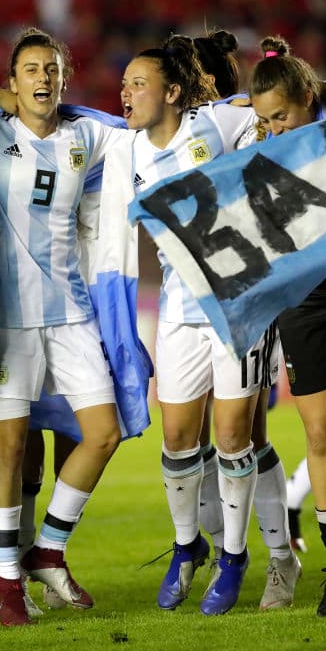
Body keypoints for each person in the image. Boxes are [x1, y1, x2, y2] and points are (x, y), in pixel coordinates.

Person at [0, 28, 128, 627]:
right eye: (30, 70)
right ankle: (7, 581)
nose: (43, 79)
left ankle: (48, 547)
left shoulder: (87, 136)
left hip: (71, 312)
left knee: (103, 433)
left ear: (64, 78)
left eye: (52, 69)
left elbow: (146, 127)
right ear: (13, 80)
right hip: (11, 321)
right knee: (9, 450)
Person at [120, 35, 285, 616]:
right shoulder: (125, 149)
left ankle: (234, 556)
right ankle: (187, 544)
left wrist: (275, 78)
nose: (126, 93)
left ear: (171, 92)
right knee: (176, 439)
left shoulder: (215, 123)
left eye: (138, 83)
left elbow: (281, 106)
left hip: (240, 304)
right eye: (123, 84)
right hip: (179, 310)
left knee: (236, 437)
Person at [248, 35, 326, 617]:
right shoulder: (262, 152)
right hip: (306, 296)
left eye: (282, 117)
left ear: (309, 100)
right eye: (264, 121)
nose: (274, 130)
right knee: (322, 435)